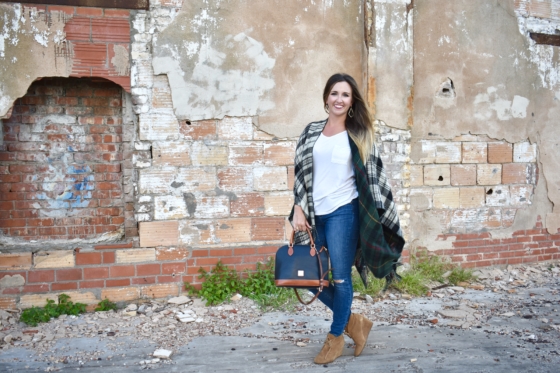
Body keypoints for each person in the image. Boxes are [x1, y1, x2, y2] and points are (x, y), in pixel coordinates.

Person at [289, 73, 405, 364]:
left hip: (345, 213)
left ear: (352, 102)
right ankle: (355, 323)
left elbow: (375, 179)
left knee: (340, 278)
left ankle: (335, 336)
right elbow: (299, 175)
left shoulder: (359, 134)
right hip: (316, 215)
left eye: (345, 95)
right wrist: (298, 209)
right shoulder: (311, 131)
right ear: (326, 97)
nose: (339, 99)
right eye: (334, 93)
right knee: (308, 277)